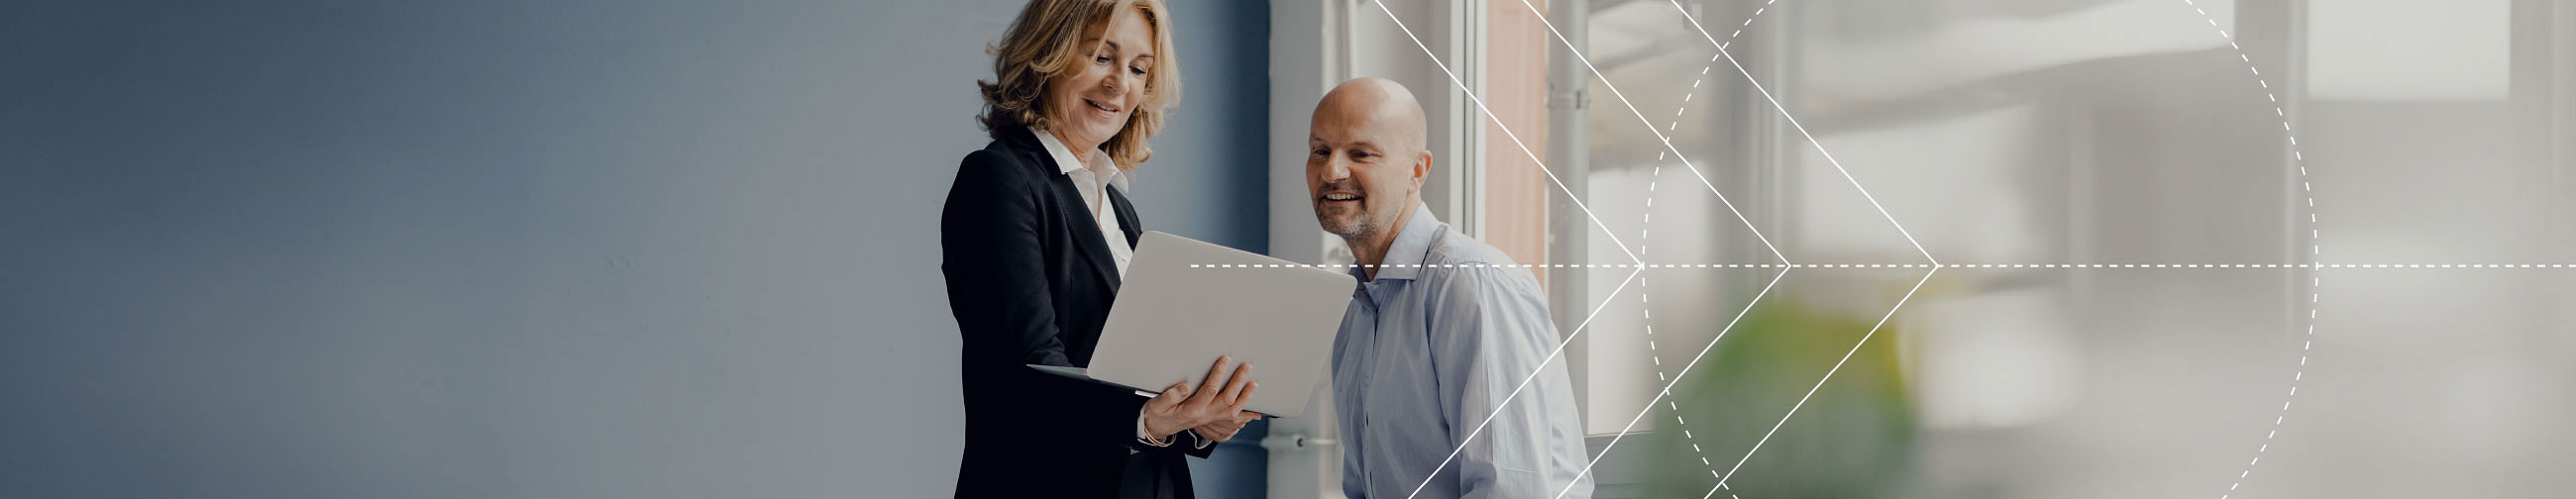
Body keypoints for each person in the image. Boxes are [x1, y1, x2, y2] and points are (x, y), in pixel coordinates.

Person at [941, 1, 1257, 498]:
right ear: (1049, 54)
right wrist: (1144, 421)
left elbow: (1143, 370)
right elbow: (1030, 366)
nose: (1120, 85)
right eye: (1101, 57)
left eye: (1138, 69)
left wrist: (1199, 418)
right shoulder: (999, 180)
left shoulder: (1116, 206)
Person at [1308, 77, 1594, 498]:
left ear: (1417, 171)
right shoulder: (1353, 307)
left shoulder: (1473, 283)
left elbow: (1509, 490)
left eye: (1360, 153)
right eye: (1320, 151)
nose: (1332, 170)